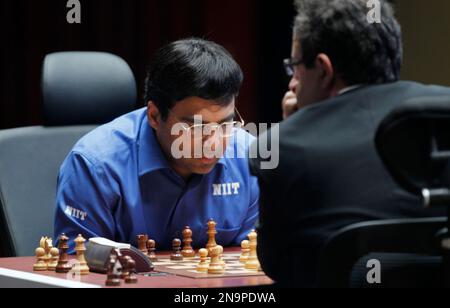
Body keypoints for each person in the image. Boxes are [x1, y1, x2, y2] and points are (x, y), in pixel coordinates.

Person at [250, 0, 450, 287]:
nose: (293, 82)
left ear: (323, 69)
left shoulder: (282, 145)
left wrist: (290, 129)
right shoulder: (443, 115)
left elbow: (277, 264)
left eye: (294, 66)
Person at [54, 38, 259, 252]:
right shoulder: (94, 166)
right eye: (197, 128)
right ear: (154, 115)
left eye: (225, 125)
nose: (214, 143)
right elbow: (79, 270)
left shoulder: (249, 159)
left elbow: (254, 261)